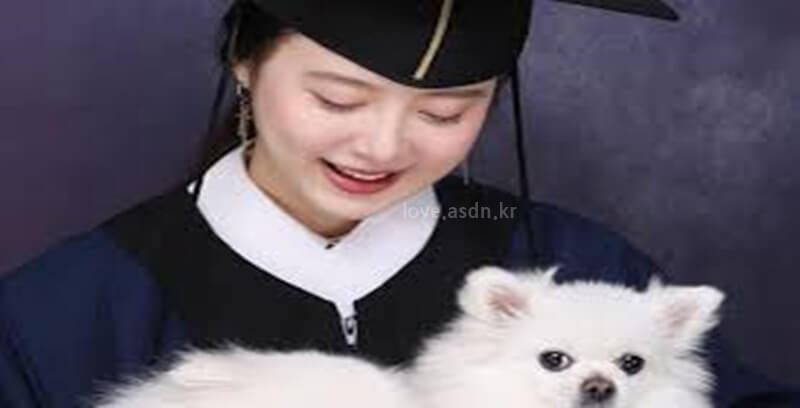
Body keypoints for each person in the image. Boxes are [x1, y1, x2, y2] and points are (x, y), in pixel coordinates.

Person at [0, 1, 796, 407]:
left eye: (444, 113)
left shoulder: (575, 267)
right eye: (338, 100)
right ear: (245, 62)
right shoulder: (69, 307)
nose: (382, 147)